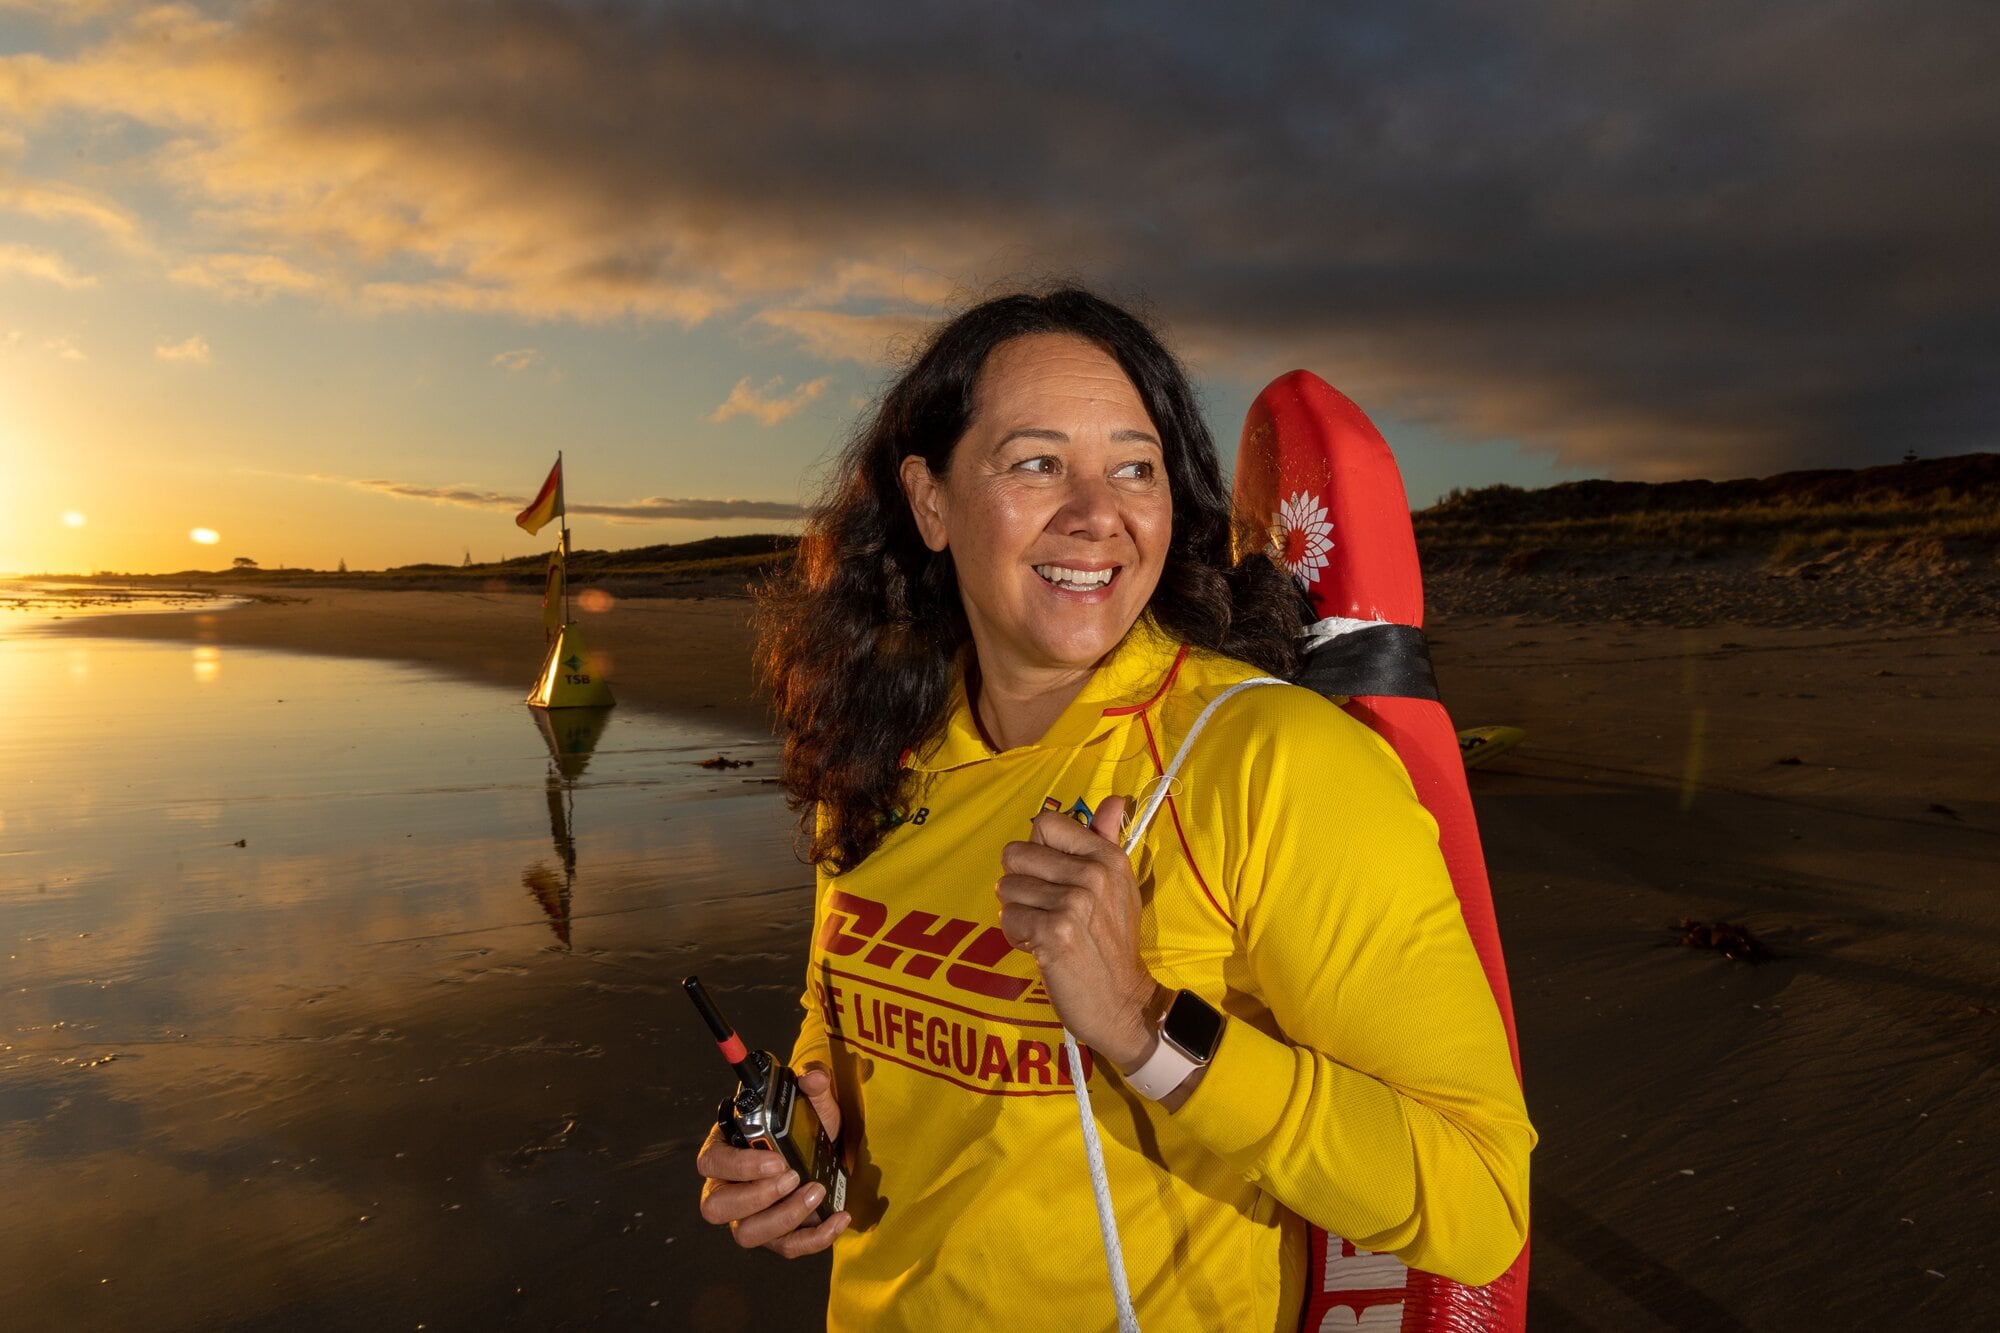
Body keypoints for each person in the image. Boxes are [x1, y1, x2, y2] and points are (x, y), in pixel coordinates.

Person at [696, 288, 1533, 1330]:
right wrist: (798, 1136)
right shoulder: (882, 748)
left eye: (1132, 467)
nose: (1097, 513)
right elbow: (843, 1023)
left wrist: (1145, 1029)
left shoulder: (1268, 763)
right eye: (1036, 462)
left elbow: (1478, 1199)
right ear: (930, 501)